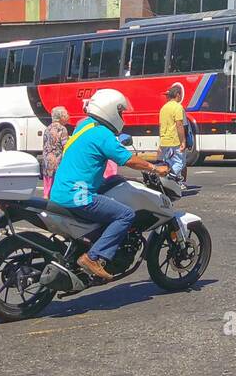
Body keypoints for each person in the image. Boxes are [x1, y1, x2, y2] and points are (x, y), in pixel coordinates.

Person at [48, 89, 171, 281]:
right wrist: (155, 168)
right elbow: (129, 160)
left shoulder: (85, 125)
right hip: (78, 197)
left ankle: (93, 243)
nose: (122, 117)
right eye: (120, 112)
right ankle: (93, 257)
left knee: (114, 182)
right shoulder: (102, 134)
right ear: (110, 110)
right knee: (125, 214)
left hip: (61, 192)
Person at [157, 82, 188, 187]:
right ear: (178, 95)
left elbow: (161, 126)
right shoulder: (178, 107)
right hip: (175, 140)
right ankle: (169, 178)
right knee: (180, 163)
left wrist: (160, 141)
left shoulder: (163, 108)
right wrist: (183, 141)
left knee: (169, 162)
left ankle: (169, 183)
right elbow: (179, 125)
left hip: (165, 141)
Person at [39, 106, 70, 197]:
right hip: (57, 161)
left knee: (47, 186)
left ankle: (45, 198)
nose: (68, 116)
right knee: (55, 186)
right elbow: (66, 146)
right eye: (66, 114)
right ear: (61, 117)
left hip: (46, 160)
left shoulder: (47, 128)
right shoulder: (62, 129)